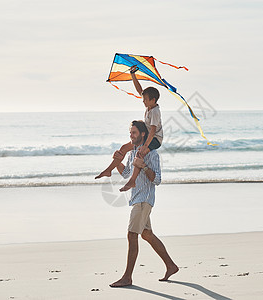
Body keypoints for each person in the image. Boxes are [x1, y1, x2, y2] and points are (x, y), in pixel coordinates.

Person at [109, 120, 178, 288]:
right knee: (147, 234)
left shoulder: (152, 154)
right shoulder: (133, 153)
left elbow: (158, 180)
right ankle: (171, 266)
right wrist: (118, 161)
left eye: (133, 133)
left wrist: (144, 166)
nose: (131, 136)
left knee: (132, 235)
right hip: (136, 198)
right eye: (130, 133)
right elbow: (126, 173)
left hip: (144, 200)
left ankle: (127, 277)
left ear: (143, 134)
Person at [95, 66, 163, 192]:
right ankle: (109, 170)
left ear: (153, 100)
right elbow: (140, 91)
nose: (143, 102)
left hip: (154, 139)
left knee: (140, 154)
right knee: (124, 148)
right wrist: (133, 75)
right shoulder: (149, 107)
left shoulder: (155, 112)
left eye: (145, 100)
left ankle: (132, 181)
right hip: (148, 136)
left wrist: (145, 145)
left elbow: (153, 131)